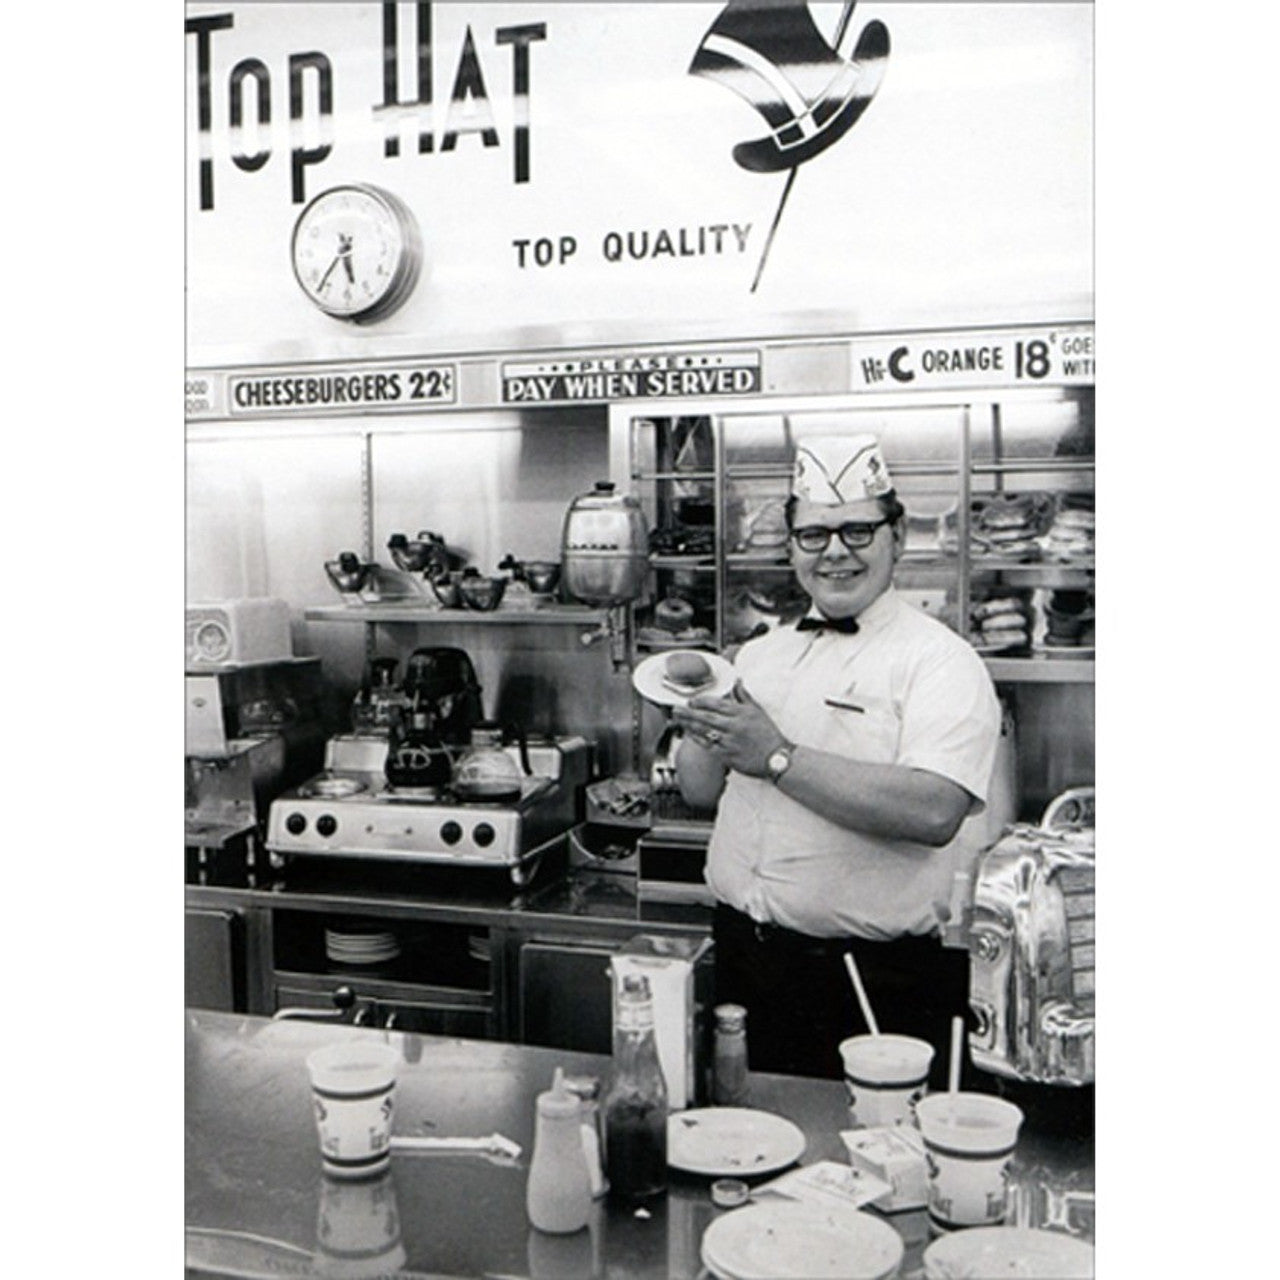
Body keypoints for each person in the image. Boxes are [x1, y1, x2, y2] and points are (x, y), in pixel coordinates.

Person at [672, 434, 1001, 1086]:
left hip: (864, 978)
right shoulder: (759, 654)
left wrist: (776, 756)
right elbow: (700, 792)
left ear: (896, 536)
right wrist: (695, 720)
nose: (835, 552)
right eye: (814, 535)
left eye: (857, 531)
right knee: (741, 1132)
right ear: (792, 546)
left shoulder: (942, 662)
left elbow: (935, 810)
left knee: (868, 1143)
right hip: (741, 959)